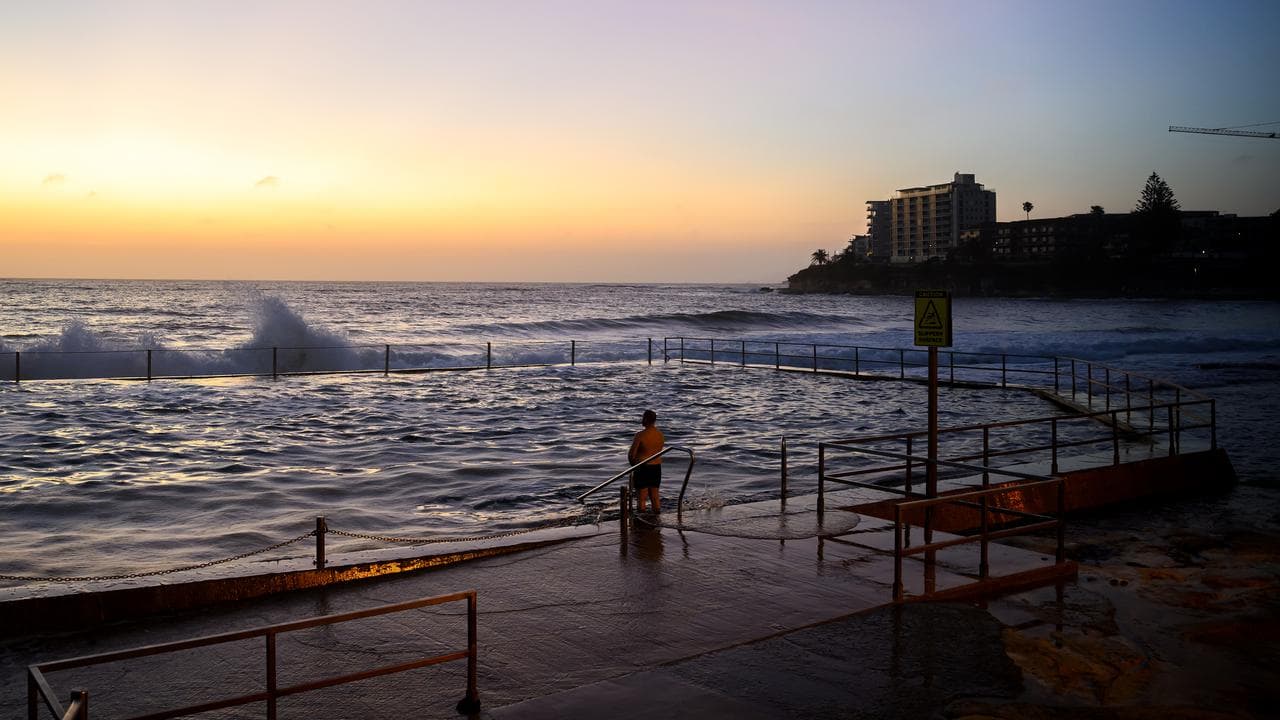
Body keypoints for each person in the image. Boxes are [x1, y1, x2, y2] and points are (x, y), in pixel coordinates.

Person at [628, 409, 665, 513]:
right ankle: (657, 518)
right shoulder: (660, 435)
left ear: (646, 419)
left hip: (642, 467)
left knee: (642, 498)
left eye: (643, 418)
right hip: (656, 467)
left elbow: (631, 454)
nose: (641, 420)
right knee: (655, 496)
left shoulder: (640, 435)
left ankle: (641, 521)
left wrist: (634, 466)